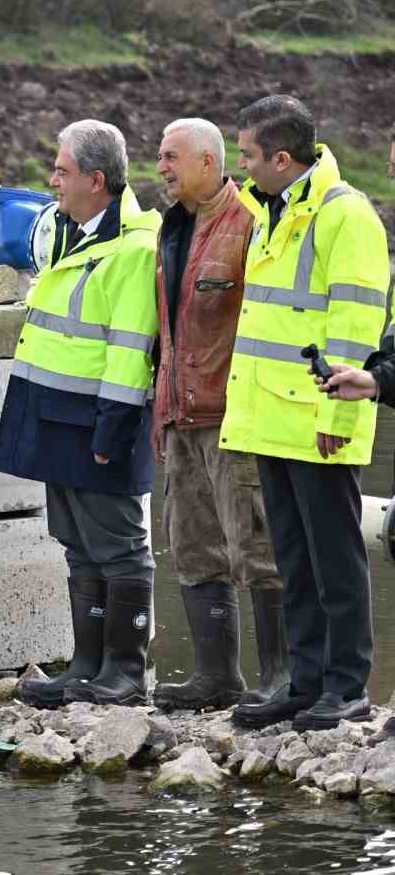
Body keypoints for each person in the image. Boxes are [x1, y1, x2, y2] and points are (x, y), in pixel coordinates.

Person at [222, 95, 389, 731]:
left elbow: (355, 325)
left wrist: (339, 419)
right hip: (272, 418)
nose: (241, 170)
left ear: (282, 158)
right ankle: (307, 681)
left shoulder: (344, 215)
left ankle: (347, 687)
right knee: (294, 559)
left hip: (319, 421)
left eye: (249, 157)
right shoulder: (276, 209)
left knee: (336, 560)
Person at [0, 119, 160, 707]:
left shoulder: (135, 248)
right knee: (78, 544)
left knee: (118, 547)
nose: (52, 180)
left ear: (96, 179)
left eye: (61, 171)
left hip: (97, 423)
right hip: (57, 417)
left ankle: (126, 673)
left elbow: (130, 348)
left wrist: (112, 430)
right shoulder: (75, 234)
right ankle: (85, 669)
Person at [148, 118, 287, 711]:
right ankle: (217, 677)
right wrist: (160, 400)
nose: (161, 167)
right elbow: (168, 328)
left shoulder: (250, 225)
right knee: (193, 544)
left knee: (256, 548)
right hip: (181, 413)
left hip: (233, 416)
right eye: (159, 156)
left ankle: (282, 677)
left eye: (171, 156)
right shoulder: (170, 228)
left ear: (209, 163)